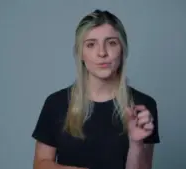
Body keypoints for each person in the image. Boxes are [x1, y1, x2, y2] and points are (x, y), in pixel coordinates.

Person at [31, 9, 160, 169]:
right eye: (91, 44)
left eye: (111, 42)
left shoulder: (142, 105)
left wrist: (136, 144)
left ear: (122, 50)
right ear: (81, 54)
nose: (102, 52)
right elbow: (40, 164)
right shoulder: (55, 103)